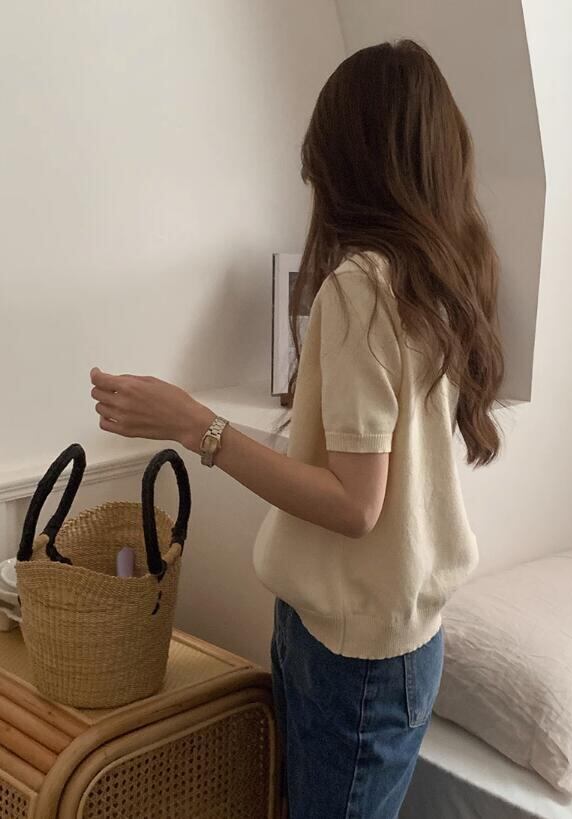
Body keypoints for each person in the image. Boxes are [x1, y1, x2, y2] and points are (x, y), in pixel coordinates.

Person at [89, 39, 504, 819]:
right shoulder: (439, 276)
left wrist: (194, 424)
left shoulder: (360, 288)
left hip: (353, 653)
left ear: (345, 161)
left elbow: (354, 504)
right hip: (397, 637)